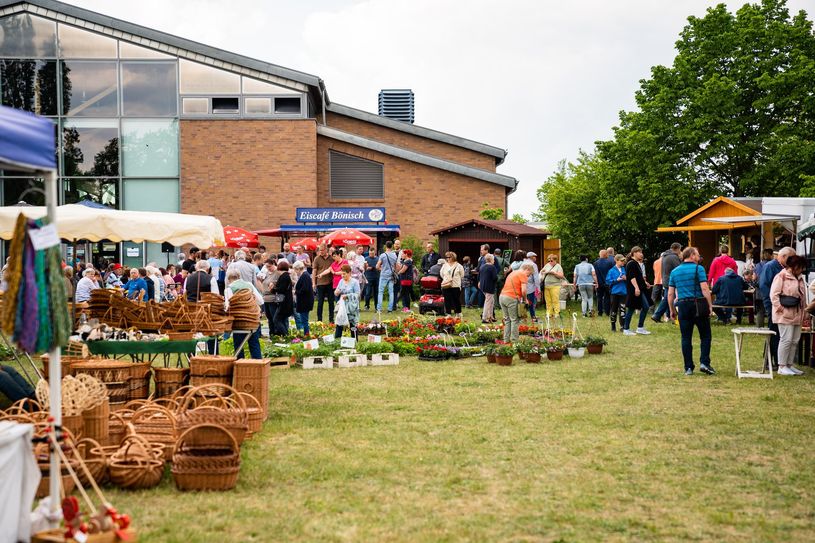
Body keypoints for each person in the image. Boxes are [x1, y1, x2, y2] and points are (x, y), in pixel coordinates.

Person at [667, 247, 715, 375]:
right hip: (699, 304)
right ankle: (705, 363)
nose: (699, 257)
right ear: (692, 255)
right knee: (705, 335)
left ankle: (688, 367)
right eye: (698, 255)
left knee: (686, 337)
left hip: (683, 305)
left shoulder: (675, 271)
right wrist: (710, 305)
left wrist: (672, 310)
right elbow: (705, 289)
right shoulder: (698, 269)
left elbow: (670, 294)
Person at [770, 254, 807, 375]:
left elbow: (803, 296)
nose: (802, 270)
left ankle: (789, 365)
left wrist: (805, 310)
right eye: (801, 267)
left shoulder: (800, 277)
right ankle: (782, 366)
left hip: (797, 313)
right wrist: (780, 309)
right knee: (786, 339)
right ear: (794, 266)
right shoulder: (781, 276)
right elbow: (774, 295)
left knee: (795, 340)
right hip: (785, 313)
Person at [760, 247, 795, 366]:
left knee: (780, 335)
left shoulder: (784, 268)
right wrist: (771, 306)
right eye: (791, 258)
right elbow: (764, 287)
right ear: (784, 257)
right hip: (773, 305)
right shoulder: (770, 266)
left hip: (782, 306)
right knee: (774, 332)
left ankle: (778, 360)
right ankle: (770, 361)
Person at [224, 268, 263, 360]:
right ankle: (258, 364)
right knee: (254, 343)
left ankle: (240, 365)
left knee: (238, 344)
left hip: (239, 321)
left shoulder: (229, 289)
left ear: (228, 278)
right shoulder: (249, 285)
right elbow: (260, 301)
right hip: (253, 320)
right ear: (239, 276)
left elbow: (228, 307)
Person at [499, 263, 533, 342]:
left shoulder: (512, 273)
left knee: (507, 320)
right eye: (529, 274)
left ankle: (506, 340)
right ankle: (514, 341)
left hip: (502, 297)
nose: (529, 276)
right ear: (527, 269)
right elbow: (524, 290)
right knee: (514, 320)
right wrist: (525, 300)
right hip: (511, 298)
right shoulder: (523, 274)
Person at [622, 246, 651, 336]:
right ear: (634, 253)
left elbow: (638, 277)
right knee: (632, 308)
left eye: (641, 252)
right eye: (639, 252)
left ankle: (639, 328)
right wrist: (636, 288)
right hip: (634, 290)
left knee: (643, 307)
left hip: (638, 289)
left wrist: (645, 283)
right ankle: (626, 329)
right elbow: (632, 277)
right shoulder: (631, 263)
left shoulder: (636, 263)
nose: (641, 254)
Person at [652, 243, 682, 323]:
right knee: (672, 299)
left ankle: (658, 315)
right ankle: (674, 317)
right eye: (680, 249)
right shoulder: (673, 257)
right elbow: (679, 268)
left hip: (665, 279)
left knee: (666, 298)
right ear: (677, 248)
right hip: (671, 281)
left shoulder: (665, 256)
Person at [334, 264, 361, 339]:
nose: (342, 275)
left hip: (352, 307)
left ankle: (355, 341)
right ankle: (337, 341)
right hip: (342, 306)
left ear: (349, 273)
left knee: (353, 324)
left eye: (344, 274)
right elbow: (337, 290)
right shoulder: (341, 281)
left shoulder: (355, 282)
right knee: (339, 323)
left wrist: (348, 296)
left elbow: (357, 295)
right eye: (341, 274)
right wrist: (336, 292)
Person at [312, 244, 334, 322]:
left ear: (326, 250)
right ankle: (319, 320)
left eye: (322, 250)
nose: (320, 252)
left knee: (331, 302)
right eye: (320, 250)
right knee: (320, 303)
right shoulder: (317, 259)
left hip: (330, 282)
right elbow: (314, 271)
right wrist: (313, 283)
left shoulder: (332, 258)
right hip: (320, 283)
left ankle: (331, 320)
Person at [605, 254, 628, 331]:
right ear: (616, 260)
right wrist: (616, 280)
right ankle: (613, 325)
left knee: (622, 309)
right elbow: (608, 281)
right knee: (614, 309)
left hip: (623, 292)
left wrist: (626, 278)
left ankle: (622, 326)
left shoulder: (624, 269)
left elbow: (628, 280)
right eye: (621, 261)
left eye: (623, 261)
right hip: (614, 293)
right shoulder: (611, 270)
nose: (623, 262)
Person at [271, 260, 294, 336]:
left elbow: (281, 289)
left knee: (276, 320)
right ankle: (284, 335)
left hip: (284, 302)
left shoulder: (284, 277)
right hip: (286, 301)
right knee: (282, 320)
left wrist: (273, 289)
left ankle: (285, 334)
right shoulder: (287, 276)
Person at [257, 258, 279, 335]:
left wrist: (274, 284)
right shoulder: (267, 273)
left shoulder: (277, 273)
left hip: (273, 298)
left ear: (273, 264)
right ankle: (271, 333)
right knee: (269, 317)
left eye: (269, 266)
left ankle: (276, 333)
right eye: (266, 266)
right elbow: (260, 280)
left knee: (274, 317)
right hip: (265, 298)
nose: (268, 268)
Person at [376, 241, 399, 312]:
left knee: (380, 292)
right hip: (391, 275)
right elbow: (396, 267)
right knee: (391, 292)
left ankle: (379, 309)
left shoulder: (382, 255)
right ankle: (390, 309)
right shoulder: (394, 255)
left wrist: (381, 269)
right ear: (392, 246)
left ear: (386, 246)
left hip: (383, 275)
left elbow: (377, 266)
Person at [440, 251, 464, 316]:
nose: (447, 258)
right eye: (446, 257)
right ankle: (448, 313)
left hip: (455, 285)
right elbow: (441, 274)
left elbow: (462, 275)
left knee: (456, 299)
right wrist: (447, 279)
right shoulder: (444, 265)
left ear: (453, 257)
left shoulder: (459, 266)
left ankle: (458, 312)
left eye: (449, 257)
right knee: (447, 300)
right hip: (446, 285)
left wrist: (454, 279)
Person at [292, 260, 314, 336]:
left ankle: (306, 335)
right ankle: (305, 334)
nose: (295, 271)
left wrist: (295, 292)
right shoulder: (304, 275)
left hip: (305, 301)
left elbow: (305, 289)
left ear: (298, 268)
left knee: (304, 320)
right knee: (304, 319)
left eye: (295, 269)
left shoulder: (305, 276)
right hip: (304, 301)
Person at [541, 254, 565, 319]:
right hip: (546, 286)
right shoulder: (547, 265)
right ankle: (549, 313)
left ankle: (557, 313)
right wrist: (543, 272)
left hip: (555, 285)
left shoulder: (558, 266)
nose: (550, 262)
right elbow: (541, 272)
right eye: (549, 260)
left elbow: (561, 276)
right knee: (548, 301)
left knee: (555, 300)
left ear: (555, 260)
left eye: (551, 260)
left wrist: (554, 273)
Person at [520, 252, 540, 321]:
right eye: (535, 256)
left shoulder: (522, 263)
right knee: (532, 302)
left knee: (523, 302)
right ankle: (533, 316)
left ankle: (523, 317)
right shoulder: (533, 265)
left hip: (522, 285)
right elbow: (536, 278)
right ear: (531, 257)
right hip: (531, 286)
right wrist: (538, 288)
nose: (535, 258)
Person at [593, 250, 614, 317]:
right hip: (607, 283)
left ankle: (600, 312)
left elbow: (594, 274)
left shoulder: (595, 263)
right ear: (605, 254)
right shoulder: (610, 263)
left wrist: (595, 283)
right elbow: (611, 273)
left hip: (599, 283)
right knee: (607, 297)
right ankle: (607, 312)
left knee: (599, 297)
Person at [479, 253, 498, 323]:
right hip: (489, 286)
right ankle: (484, 317)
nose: (494, 261)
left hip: (483, 286)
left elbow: (480, 276)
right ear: (491, 260)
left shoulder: (482, 266)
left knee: (491, 301)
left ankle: (491, 316)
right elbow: (495, 277)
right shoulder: (492, 267)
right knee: (488, 302)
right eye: (493, 259)